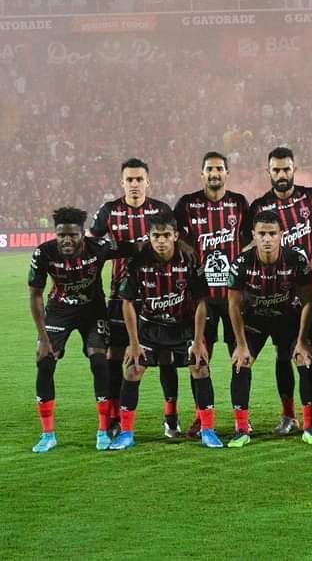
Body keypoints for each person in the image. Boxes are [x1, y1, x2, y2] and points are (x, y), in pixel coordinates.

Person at [109, 211, 222, 449]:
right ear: (148, 237)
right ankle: (126, 433)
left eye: (166, 235)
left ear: (175, 236)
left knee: (200, 367)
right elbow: (127, 303)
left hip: (183, 328)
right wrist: (134, 341)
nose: (161, 240)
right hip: (150, 327)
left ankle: (208, 430)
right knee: (133, 370)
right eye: (156, 236)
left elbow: (202, 302)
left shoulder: (190, 261)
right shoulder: (138, 262)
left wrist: (199, 340)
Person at [28, 207, 135, 453]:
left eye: (73, 235)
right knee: (44, 361)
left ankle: (103, 430)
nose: (67, 240)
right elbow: (35, 295)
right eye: (61, 235)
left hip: (93, 312)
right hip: (59, 310)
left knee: (100, 361)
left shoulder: (98, 247)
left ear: (82, 235)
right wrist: (43, 338)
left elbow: (134, 248)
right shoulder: (44, 252)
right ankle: (47, 435)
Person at [248, 147, 312, 435]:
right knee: (284, 352)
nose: (281, 175)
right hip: (281, 295)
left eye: (286, 169)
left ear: (294, 169)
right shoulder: (260, 207)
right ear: (269, 172)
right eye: (276, 170)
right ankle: (289, 416)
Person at [89, 157, 178, 438]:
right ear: (122, 182)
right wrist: (125, 247)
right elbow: (92, 246)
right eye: (129, 180)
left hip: (158, 297)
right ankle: (115, 417)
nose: (135, 184)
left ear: (148, 181)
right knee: (116, 356)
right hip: (119, 296)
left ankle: (171, 418)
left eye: (139, 179)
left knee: (166, 356)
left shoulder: (161, 210)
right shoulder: (109, 211)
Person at [227, 210, 312, 447]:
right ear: (253, 236)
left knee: (303, 359)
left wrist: (302, 340)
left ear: (282, 235)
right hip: (255, 321)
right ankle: (242, 429)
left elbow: (309, 300)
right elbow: (234, 305)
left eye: (272, 234)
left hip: (287, 319)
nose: (267, 239)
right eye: (262, 234)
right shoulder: (242, 262)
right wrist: (241, 344)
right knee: (241, 362)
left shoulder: (296, 260)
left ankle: (308, 427)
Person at [174, 151, 250, 437]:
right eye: (209, 169)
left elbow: (250, 233)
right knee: (198, 358)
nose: (214, 173)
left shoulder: (239, 203)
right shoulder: (188, 204)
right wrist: (186, 245)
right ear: (202, 173)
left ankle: (242, 419)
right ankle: (200, 416)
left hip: (233, 296)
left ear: (227, 173)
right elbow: (171, 230)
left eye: (219, 168)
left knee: (240, 356)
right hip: (200, 298)